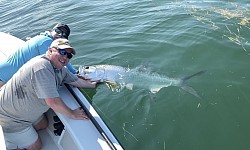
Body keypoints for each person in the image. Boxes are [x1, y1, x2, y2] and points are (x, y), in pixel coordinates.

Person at [0, 38, 97, 150]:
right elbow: (53, 101)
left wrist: (95, 83)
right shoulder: (42, 66)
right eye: (62, 52)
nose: (65, 57)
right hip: (9, 117)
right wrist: (72, 114)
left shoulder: (60, 69)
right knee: (36, 146)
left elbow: (77, 81)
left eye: (69, 55)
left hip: (21, 113)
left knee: (44, 124)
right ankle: (11, 136)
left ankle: (20, 135)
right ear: (50, 50)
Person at [0, 23, 77, 88]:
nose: (60, 35)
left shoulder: (41, 37)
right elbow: (60, 62)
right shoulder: (47, 42)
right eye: (58, 31)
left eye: (63, 34)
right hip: (3, 78)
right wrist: (75, 74)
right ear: (52, 31)